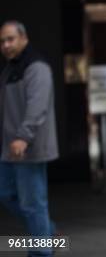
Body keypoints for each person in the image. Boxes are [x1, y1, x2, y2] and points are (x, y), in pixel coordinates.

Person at [0, 20, 59, 257]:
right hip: (8, 148)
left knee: (33, 204)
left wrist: (23, 137)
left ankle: (41, 252)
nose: (5, 45)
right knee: (5, 193)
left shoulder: (37, 67)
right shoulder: (9, 69)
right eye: (2, 41)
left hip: (28, 148)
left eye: (10, 39)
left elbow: (38, 106)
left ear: (24, 38)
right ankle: (48, 233)